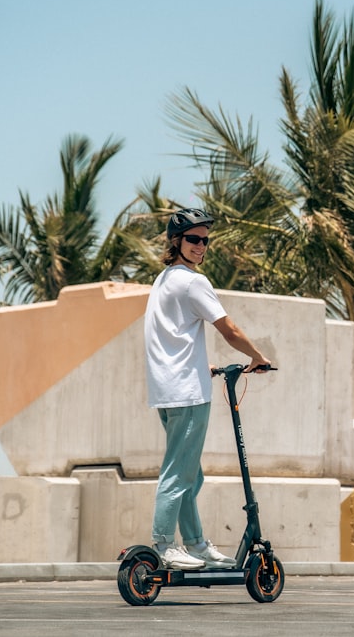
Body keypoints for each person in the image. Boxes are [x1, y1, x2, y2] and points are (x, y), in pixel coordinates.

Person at [143, 207, 272, 570]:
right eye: (194, 240)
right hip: (188, 392)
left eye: (205, 240)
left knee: (190, 473)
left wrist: (206, 365)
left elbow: (171, 336)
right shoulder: (192, 282)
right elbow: (228, 330)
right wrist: (258, 356)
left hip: (167, 390)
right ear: (176, 242)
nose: (201, 246)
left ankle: (196, 544)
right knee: (178, 472)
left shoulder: (164, 280)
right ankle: (165, 544)